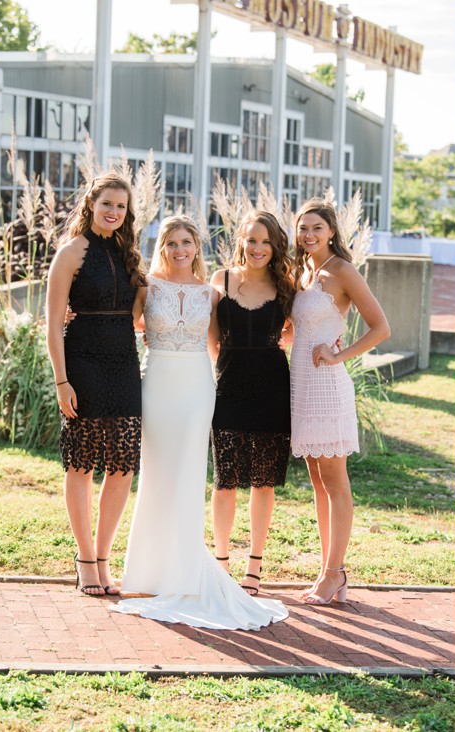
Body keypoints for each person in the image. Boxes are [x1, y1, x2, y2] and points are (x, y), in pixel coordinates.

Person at [111, 215, 287, 630]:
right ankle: (147, 572)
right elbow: (127, 324)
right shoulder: (146, 287)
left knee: (190, 476)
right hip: (157, 384)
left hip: (197, 388)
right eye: (171, 242)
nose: (179, 249)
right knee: (156, 476)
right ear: (163, 247)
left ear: (196, 247)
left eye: (186, 241)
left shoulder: (211, 294)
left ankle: (184, 571)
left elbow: (220, 341)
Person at [45, 172, 146, 597]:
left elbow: (143, 314)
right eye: (107, 203)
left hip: (124, 362)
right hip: (82, 361)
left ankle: (104, 558)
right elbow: (51, 323)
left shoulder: (130, 256)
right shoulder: (70, 253)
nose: (114, 212)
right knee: (82, 463)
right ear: (91, 204)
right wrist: (61, 380)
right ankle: (85, 558)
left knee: (122, 465)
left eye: (121, 206)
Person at [290, 198, 390, 606]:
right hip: (301, 384)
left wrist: (338, 355)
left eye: (316, 228)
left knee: (334, 478)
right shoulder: (303, 272)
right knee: (318, 480)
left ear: (331, 230)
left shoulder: (343, 271)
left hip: (327, 386)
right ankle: (327, 571)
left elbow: (381, 327)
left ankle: (336, 572)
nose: (309, 235)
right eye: (303, 228)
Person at [209, 211, 295, 596]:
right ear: (240, 241)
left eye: (266, 241)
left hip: (272, 387)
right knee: (225, 481)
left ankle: (255, 565)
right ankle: (221, 563)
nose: (258, 248)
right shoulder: (221, 280)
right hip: (228, 386)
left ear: (275, 246)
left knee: (263, 482)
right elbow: (211, 339)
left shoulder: (287, 286)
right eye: (251, 240)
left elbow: (305, 327)